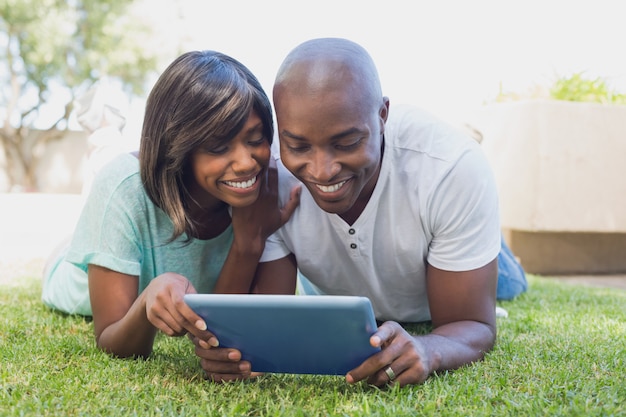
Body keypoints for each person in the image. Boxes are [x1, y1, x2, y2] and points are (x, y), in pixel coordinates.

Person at [193, 38, 526, 386]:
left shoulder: (451, 169)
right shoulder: (266, 173)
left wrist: (428, 349)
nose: (322, 171)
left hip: (446, 254)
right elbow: (271, 318)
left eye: (347, 143)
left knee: (509, 281)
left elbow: (473, 325)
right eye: (298, 145)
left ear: (382, 116)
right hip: (356, 275)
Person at [41, 50, 300, 359]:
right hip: (72, 271)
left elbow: (225, 329)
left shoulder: (264, 186)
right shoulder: (123, 189)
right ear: (179, 146)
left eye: (255, 139)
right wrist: (146, 300)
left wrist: (248, 243)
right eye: (219, 146)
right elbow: (111, 338)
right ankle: (103, 130)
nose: (246, 163)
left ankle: (107, 136)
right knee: (106, 167)